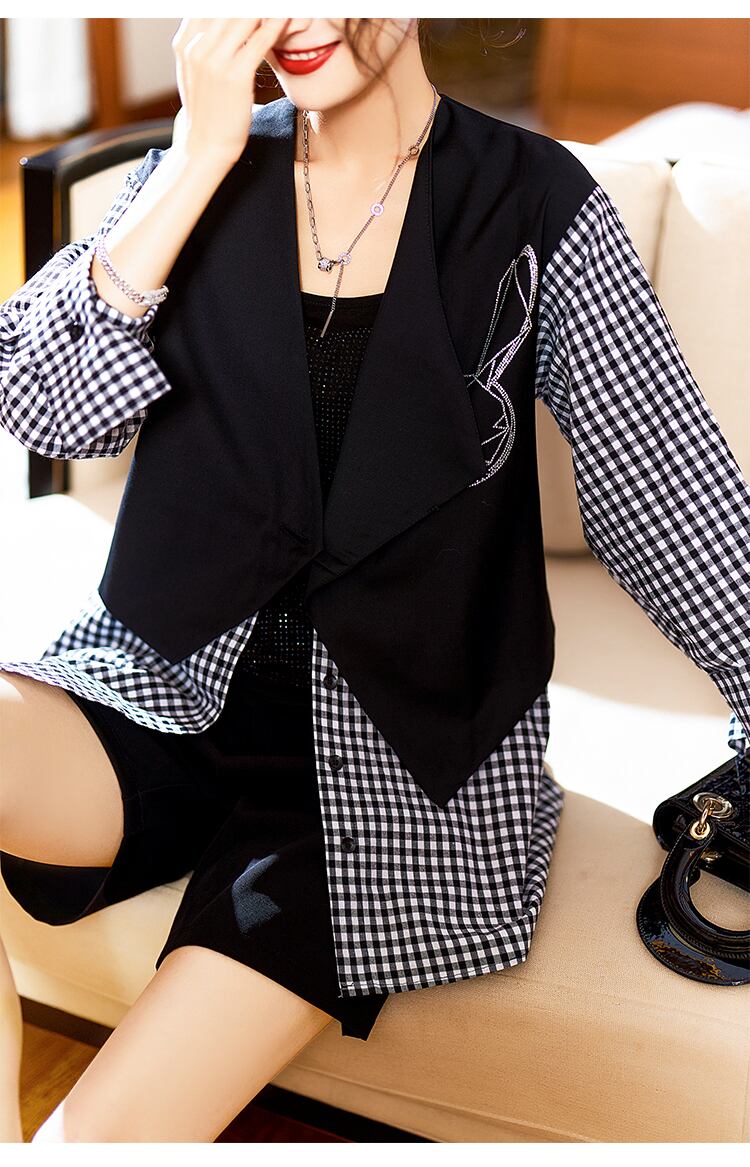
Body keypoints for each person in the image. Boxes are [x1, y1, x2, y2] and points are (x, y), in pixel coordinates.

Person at [1, 16, 748, 1144]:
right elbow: (51, 411)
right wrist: (198, 157)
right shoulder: (192, 169)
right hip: (159, 687)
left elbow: (668, 493)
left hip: (394, 768)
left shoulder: (537, 203)